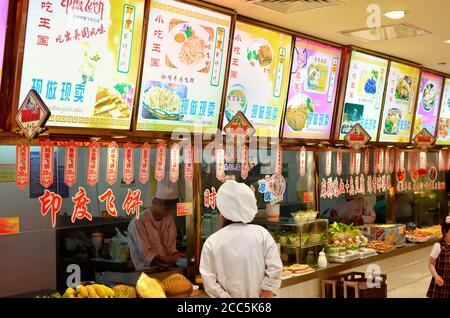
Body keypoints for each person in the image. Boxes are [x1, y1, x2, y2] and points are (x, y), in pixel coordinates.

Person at [200, 180, 283, 298]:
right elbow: (275, 268)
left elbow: (209, 282)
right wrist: (267, 292)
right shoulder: (261, 234)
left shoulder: (212, 242)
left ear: (222, 213)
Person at [128, 179, 184, 270]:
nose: (169, 211)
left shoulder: (169, 219)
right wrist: (170, 260)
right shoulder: (139, 222)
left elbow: (171, 248)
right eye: (167, 207)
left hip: (167, 269)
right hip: (147, 272)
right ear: (155, 202)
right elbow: (147, 256)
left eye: (171, 208)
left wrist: (176, 256)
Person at [427, 216, 450, 298]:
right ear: (445, 232)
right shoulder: (438, 246)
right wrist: (436, 276)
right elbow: (431, 264)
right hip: (442, 283)